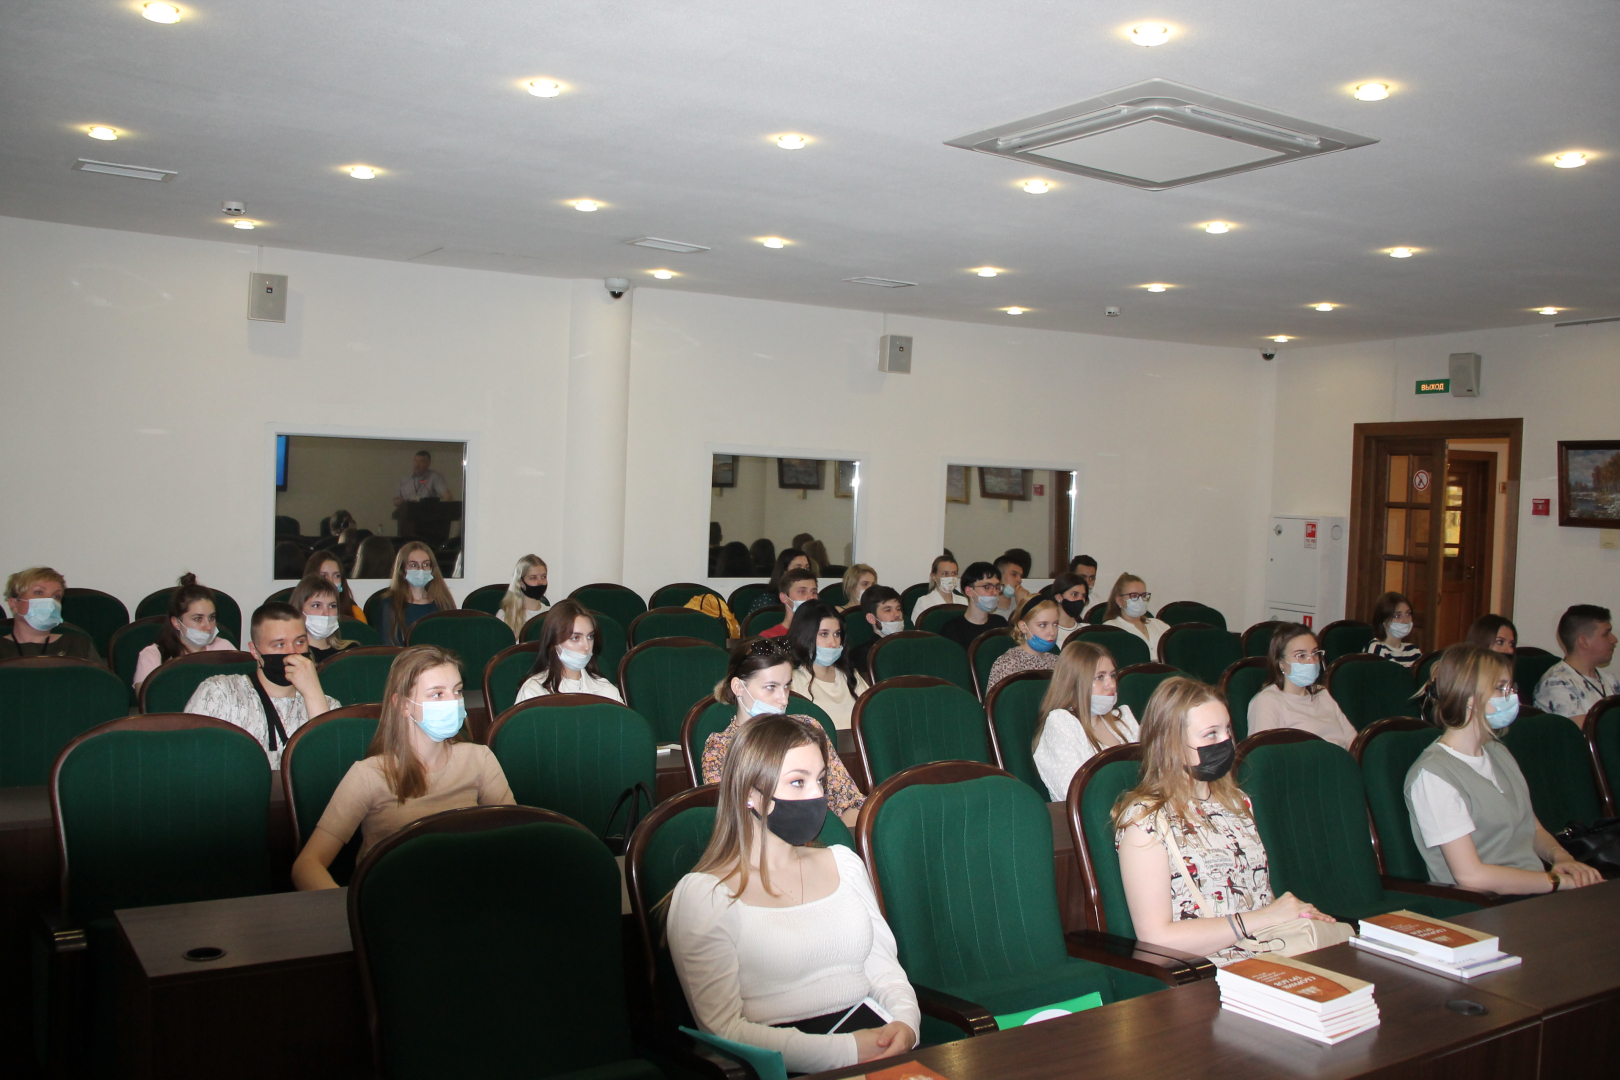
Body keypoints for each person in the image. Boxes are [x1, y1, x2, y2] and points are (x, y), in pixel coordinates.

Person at [667, 714, 919, 1073]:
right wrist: (847, 1050)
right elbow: (723, 1028)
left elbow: (886, 974)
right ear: (751, 794)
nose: (816, 796)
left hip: (875, 1050)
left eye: (820, 780)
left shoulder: (845, 864)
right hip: (777, 1068)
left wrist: (906, 1025)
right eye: (798, 782)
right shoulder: (706, 895)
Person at [1115, 676, 1338, 963]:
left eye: (1228, 730)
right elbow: (1156, 940)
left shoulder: (1237, 802)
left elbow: (1258, 897)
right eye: (1211, 734)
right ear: (1171, 744)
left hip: (1264, 954)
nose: (1226, 742)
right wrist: (1265, 917)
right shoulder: (1144, 821)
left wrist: (1293, 914)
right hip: (1204, 968)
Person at [291, 645, 514, 889]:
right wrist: (346, 906)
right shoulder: (369, 775)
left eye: (457, 691)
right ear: (403, 705)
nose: (453, 702)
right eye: (437, 694)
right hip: (393, 895)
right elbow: (307, 865)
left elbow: (513, 837)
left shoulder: (479, 758)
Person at [1406, 644, 1601, 893]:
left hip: (1532, 891)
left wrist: (1562, 858)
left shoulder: (1498, 752)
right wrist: (1556, 882)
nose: (1511, 696)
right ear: (1469, 697)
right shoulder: (1434, 775)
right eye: (1501, 688)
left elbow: (1533, 829)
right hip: (1484, 903)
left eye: (1511, 688)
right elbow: (1471, 876)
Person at [702, 639, 864, 828]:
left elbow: (849, 800)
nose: (784, 699)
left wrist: (847, 837)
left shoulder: (807, 728)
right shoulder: (721, 748)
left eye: (786, 686)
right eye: (771, 687)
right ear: (738, 687)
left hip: (823, 834)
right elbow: (733, 823)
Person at [183, 602, 340, 768]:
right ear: (254, 651)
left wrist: (313, 693)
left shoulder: (327, 705)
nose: (292, 652)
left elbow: (331, 768)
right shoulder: (219, 693)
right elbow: (192, 762)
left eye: (300, 642)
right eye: (279, 644)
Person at [1032, 640, 1138, 802]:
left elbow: (1152, 773)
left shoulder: (1122, 719)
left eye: (1112, 675)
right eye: (1100, 677)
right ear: (1074, 682)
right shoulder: (1061, 723)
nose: (1111, 685)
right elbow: (1076, 792)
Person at [1246, 624, 1357, 750]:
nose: (1312, 661)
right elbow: (1265, 754)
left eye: (1315, 653)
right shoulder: (1267, 701)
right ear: (1281, 663)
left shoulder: (1322, 694)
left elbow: (1353, 742)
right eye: (1301, 656)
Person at [131, 573, 236, 687]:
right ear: (176, 622)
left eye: (211, 617)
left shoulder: (225, 648)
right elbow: (146, 697)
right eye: (198, 619)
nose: (208, 626)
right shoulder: (153, 655)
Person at [515, 601, 623, 703]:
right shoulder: (534, 692)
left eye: (590, 637)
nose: (587, 646)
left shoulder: (607, 691)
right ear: (554, 642)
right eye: (575, 638)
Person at [786, 601, 869, 731]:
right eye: (824, 634)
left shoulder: (848, 673)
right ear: (805, 636)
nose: (833, 643)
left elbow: (872, 712)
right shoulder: (792, 680)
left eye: (837, 634)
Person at [1534, 604, 1619, 721]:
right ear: (1584, 641)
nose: (1614, 640)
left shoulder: (1611, 680)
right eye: (1606, 634)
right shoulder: (1556, 683)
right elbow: (1584, 729)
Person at [2, 567, 99, 661]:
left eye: (56, 596)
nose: (50, 600)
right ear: (14, 604)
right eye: (39, 592)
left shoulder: (78, 645)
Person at [376, 542, 455, 646]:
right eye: (414, 565)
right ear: (402, 570)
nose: (421, 570)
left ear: (432, 569)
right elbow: (387, 644)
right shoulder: (390, 604)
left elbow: (451, 642)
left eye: (426, 564)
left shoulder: (443, 602)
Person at [985, 596, 1063, 692]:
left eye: (1055, 624)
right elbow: (996, 700)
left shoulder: (1058, 663)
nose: (1052, 632)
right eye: (1043, 625)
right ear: (1023, 626)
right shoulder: (1007, 664)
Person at [290, 575, 359, 665]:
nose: (326, 613)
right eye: (316, 605)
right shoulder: (294, 656)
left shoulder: (351, 651)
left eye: (332, 606)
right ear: (299, 610)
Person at [938, 562, 1007, 649]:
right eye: (987, 587)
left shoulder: (1000, 623)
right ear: (969, 591)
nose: (995, 592)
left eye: (997, 587)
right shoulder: (952, 629)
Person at [1103, 573, 1170, 656]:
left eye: (1143, 595)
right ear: (1119, 601)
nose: (1140, 600)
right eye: (1134, 596)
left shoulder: (1159, 625)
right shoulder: (1111, 629)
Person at [850, 585, 904, 679]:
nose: (897, 615)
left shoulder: (912, 646)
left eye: (898, 609)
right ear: (871, 618)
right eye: (888, 610)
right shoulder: (864, 655)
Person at [497, 554, 550, 636]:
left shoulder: (551, 614)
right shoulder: (505, 616)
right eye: (533, 578)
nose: (540, 582)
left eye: (543, 577)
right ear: (521, 582)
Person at [305, 550, 365, 622]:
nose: (331, 581)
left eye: (336, 576)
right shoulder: (298, 613)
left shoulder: (355, 612)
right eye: (324, 576)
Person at [1365, 591, 1421, 667]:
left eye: (1408, 614)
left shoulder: (1413, 650)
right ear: (1384, 621)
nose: (1405, 620)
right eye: (1397, 616)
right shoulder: (1376, 648)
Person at [748, 548, 810, 617]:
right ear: (784, 571)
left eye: (807, 568)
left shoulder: (812, 597)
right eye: (798, 568)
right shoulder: (767, 601)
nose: (804, 572)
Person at [760, 567, 818, 639]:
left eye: (814, 592)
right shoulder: (769, 637)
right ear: (784, 598)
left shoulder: (823, 632)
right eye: (802, 592)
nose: (811, 597)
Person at [908, 555, 961, 624]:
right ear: (934, 576)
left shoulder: (964, 601)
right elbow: (917, 628)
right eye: (945, 574)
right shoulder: (924, 602)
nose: (950, 577)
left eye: (954, 573)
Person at [1048, 571, 1091, 647]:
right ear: (1059, 597)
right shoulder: (1049, 631)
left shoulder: (1087, 630)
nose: (1080, 599)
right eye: (1074, 594)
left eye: (1083, 596)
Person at [993, 552, 1032, 618]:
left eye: (1021, 576)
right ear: (998, 577)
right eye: (1014, 574)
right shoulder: (988, 606)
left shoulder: (1021, 599)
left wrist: (1023, 604)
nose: (1020, 580)